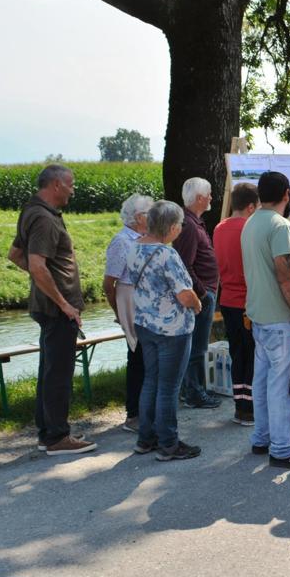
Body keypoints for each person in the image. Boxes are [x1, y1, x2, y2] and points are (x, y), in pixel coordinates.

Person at [7, 164, 96, 456]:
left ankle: (48, 432)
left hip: (48, 306)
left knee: (49, 371)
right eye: (70, 184)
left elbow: (15, 254)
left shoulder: (34, 211)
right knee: (58, 374)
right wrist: (64, 302)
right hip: (57, 310)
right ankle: (58, 437)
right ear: (56, 185)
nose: (73, 189)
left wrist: (45, 282)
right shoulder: (43, 218)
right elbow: (35, 264)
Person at [241, 171, 290, 470]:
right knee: (281, 386)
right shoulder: (280, 226)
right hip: (279, 318)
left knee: (261, 382)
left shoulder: (251, 222)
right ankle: (283, 448)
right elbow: (286, 277)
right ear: (287, 193)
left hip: (259, 314)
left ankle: (263, 438)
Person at [127, 201, 203, 461]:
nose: (181, 229)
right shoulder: (167, 255)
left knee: (151, 381)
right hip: (172, 329)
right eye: (179, 225)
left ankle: (145, 439)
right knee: (169, 387)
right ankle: (169, 444)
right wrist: (198, 304)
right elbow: (184, 295)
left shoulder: (134, 247)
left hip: (145, 324)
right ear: (171, 227)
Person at [102, 193, 153, 433]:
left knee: (147, 357)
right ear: (139, 217)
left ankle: (146, 409)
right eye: (150, 213)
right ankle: (133, 414)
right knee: (137, 357)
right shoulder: (122, 241)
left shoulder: (146, 238)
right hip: (131, 302)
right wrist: (119, 312)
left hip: (147, 304)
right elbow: (109, 283)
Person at [213, 183, 259, 426]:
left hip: (227, 299)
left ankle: (240, 405)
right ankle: (250, 407)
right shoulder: (249, 228)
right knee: (252, 354)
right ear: (251, 207)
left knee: (237, 353)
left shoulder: (219, 228)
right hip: (248, 301)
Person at [173, 177, 221, 409]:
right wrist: (203, 293)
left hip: (204, 292)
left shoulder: (194, 222)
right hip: (201, 295)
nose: (212, 197)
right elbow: (184, 264)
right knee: (197, 347)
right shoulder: (190, 226)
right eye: (209, 194)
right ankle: (194, 392)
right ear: (200, 198)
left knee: (198, 346)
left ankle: (194, 389)